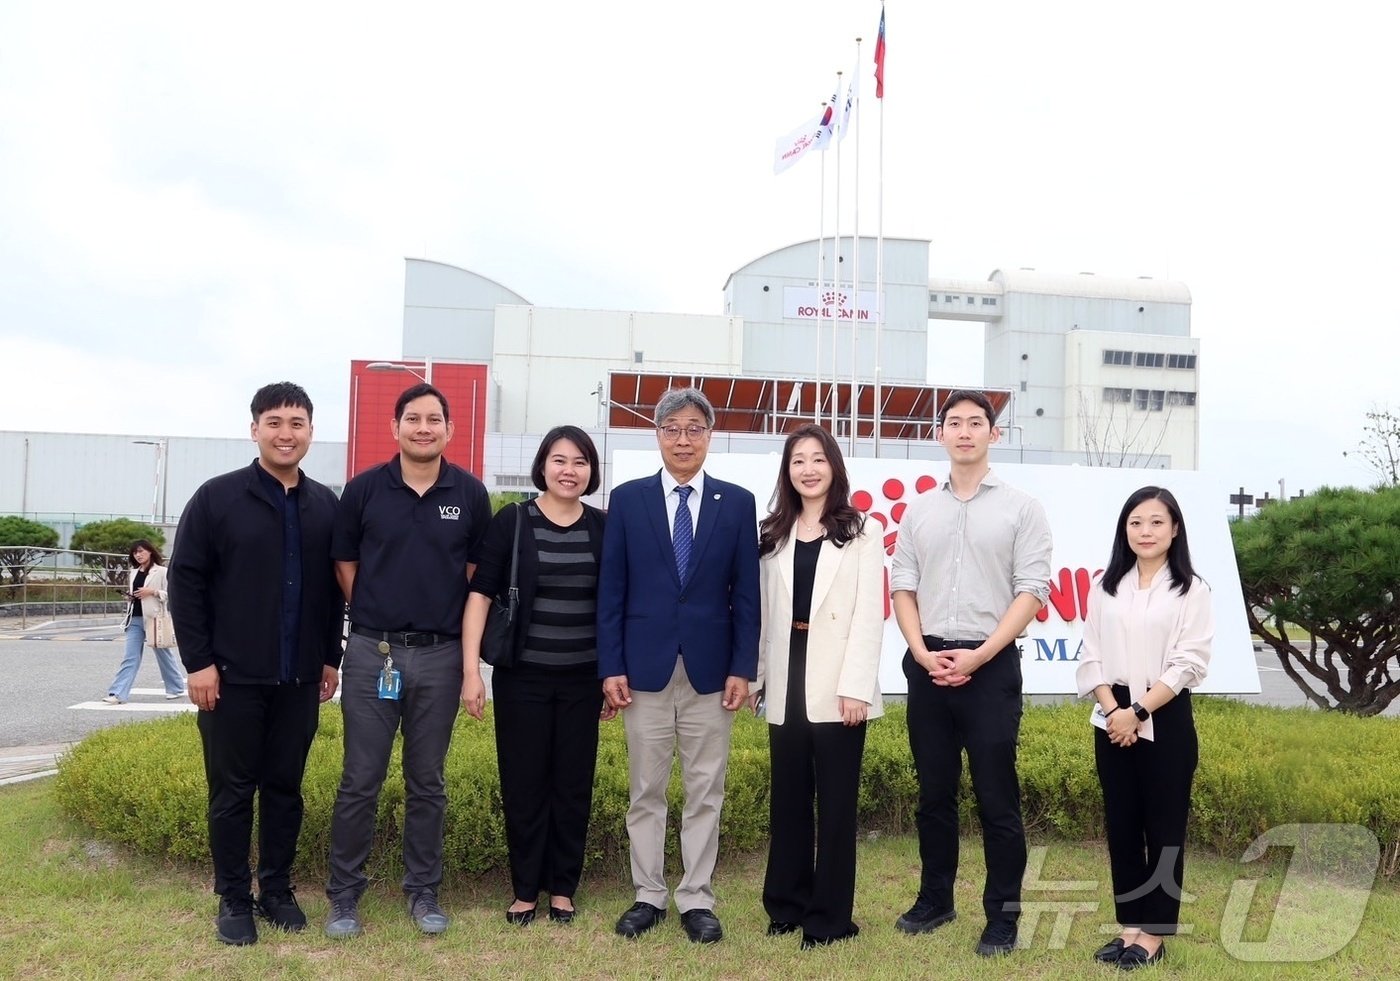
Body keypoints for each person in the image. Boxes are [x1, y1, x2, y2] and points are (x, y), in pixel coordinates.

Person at [168, 382, 344, 946]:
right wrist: (199, 663)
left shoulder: (325, 505)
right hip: (231, 678)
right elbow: (185, 582)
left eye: (296, 423)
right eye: (274, 422)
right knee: (232, 791)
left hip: (298, 677)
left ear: (311, 432)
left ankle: (276, 890)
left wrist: (329, 658)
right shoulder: (217, 498)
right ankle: (232, 897)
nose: (285, 433)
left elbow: (329, 594)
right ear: (254, 429)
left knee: (285, 788)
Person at [324, 382, 492, 939]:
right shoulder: (365, 489)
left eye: (434, 419)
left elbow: (476, 578)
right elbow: (344, 563)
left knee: (428, 782)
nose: (424, 428)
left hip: (441, 657)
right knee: (360, 780)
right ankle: (344, 896)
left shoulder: (469, 493)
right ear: (394, 428)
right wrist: (377, 615)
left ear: (449, 429)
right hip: (375, 655)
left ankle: (423, 892)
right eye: (413, 419)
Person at [888, 389, 1052, 957]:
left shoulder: (1021, 508)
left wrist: (980, 656)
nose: (964, 431)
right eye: (953, 423)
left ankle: (1002, 917)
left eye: (975, 423)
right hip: (928, 663)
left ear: (993, 435)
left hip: (992, 666)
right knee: (933, 794)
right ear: (940, 434)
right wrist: (921, 651)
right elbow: (902, 585)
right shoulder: (919, 510)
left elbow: (1032, 591)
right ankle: (936, 899)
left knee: (995, 796)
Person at [597, 387, 760, 944]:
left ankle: (696, 897)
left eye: (694, 428)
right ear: (658, 436)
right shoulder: (628, 499)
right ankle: (648, 894)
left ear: (710, 435)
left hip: (712, 674)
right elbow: (611, 592)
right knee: (646, 788)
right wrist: (610, 665)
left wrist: (744, 667)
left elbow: (747, 595)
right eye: (672, 429)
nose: (683, 438)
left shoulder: (736, 503)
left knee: (705, 788)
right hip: (642, 672)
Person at [462, 426, 609, 926]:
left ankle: (563, 889)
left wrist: (612, 675)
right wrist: (471, 674)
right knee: (524, 785)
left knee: (572, 786)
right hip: (521, 679)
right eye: (560, 460)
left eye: (580, 462)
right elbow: (480, 594)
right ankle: (525, 889)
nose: (570, 471)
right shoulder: (513, 522)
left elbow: (614, 607)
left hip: (583, 681)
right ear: (543, 466)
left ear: (591, 471)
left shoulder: (602, 527)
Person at [753, 424, 883, 950]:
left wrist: (856, 686)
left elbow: (868, 617)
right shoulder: (772, 532)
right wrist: (756, 679)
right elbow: (763, 616)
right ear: (787, 471)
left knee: (834, 808)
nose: (807, 469)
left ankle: (829, 918)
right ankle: (785, 905)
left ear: (834, 467)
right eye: (797, 460)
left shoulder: (861, 530)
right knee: (787, 802)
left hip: (837, 685)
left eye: (817, 459)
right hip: (786, 676)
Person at [1076, 486, 1212, 971]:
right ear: (1124, 530)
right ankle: (1129, 926)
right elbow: (1090, 654)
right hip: (1110, 716)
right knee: (1122, 826)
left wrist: (1139, 712)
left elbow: (1189, 662)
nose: (1146, 531)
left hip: (1165, 716)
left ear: (1174, 528)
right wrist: (1115, 711)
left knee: (1164, 827)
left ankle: (1154, 934)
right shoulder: (1107, 586)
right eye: (1136, 522)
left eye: (1156, 522)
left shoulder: (1191, 589)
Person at [102, 539, 186, 704]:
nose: (138, 555)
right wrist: (130, 596)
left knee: (163, 654)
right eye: (135, 553)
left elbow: (172, 593)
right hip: (134, 618)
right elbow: (137, 595)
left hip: (154, 619)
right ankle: (117, 693)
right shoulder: (134, 572)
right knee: (130, 657)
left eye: (141, 551)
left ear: (150, 551)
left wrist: (152, 592)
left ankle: (175, 687)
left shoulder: (162, 571)